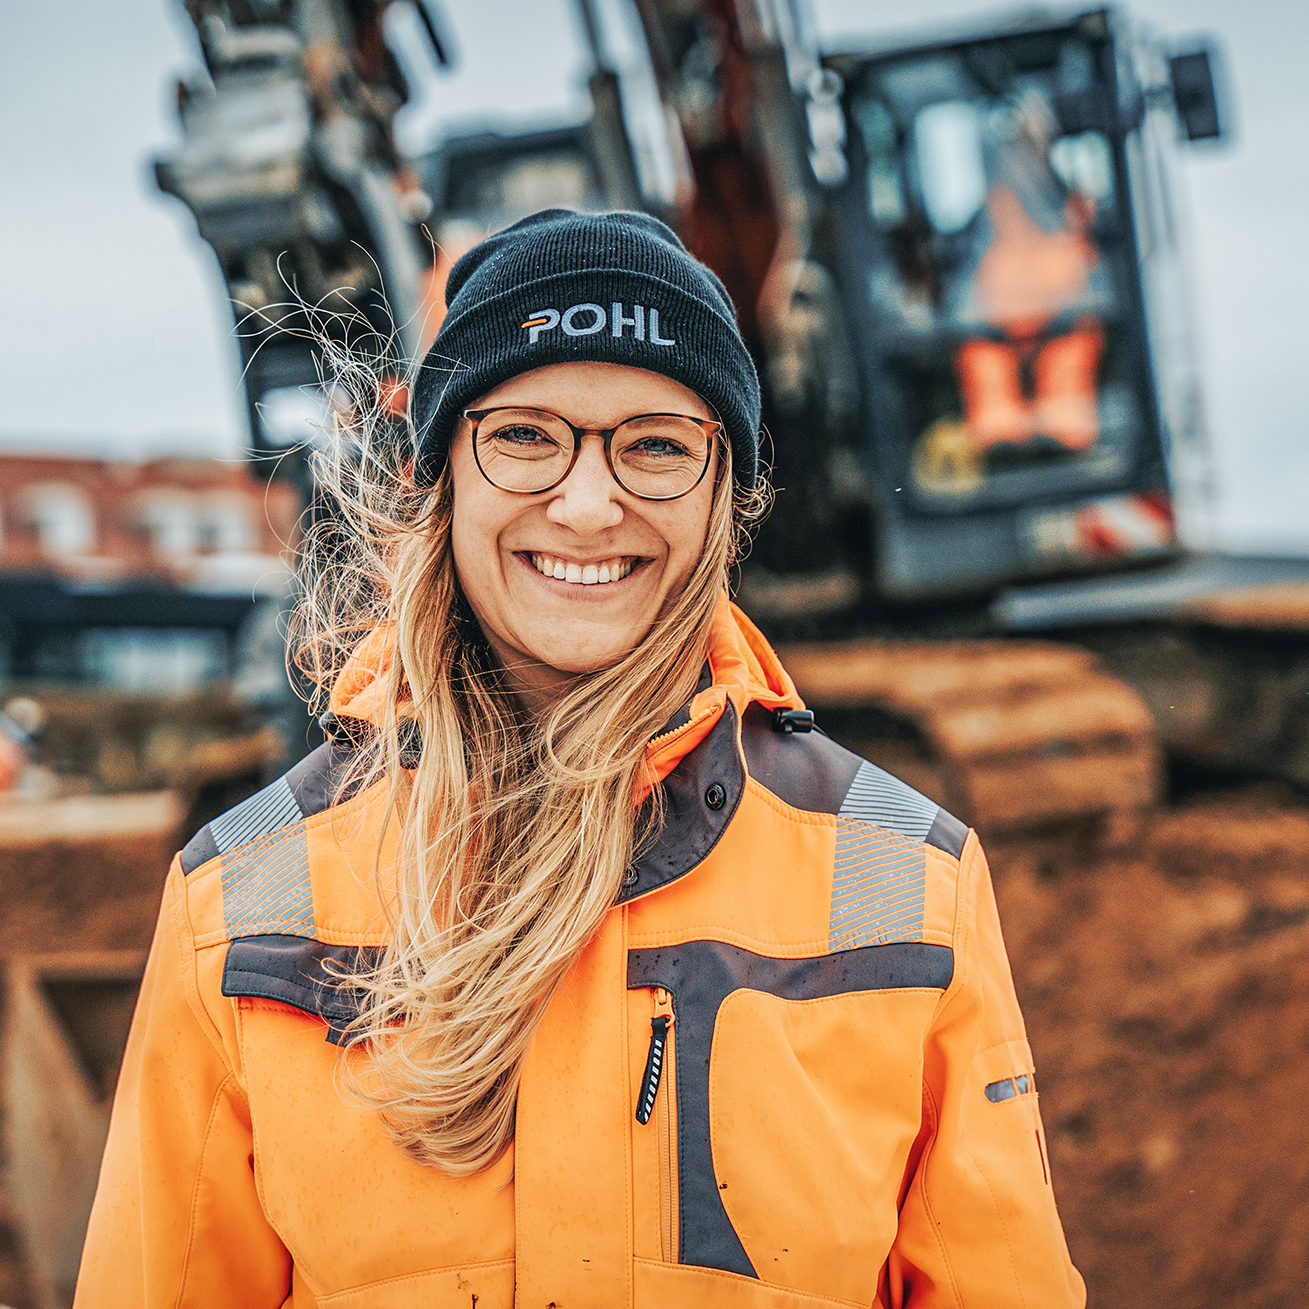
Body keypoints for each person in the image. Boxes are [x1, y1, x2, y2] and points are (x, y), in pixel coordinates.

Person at [75, 210, 1085, 1307]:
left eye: (655, 444)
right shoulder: (238, 901)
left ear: (724, 497)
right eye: (524, 435)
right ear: (440, 475)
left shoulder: (909, 885)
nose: (590, 502)